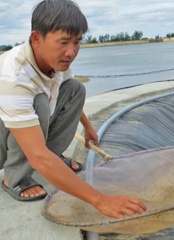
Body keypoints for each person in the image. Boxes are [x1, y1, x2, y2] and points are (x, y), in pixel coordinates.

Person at [0, 0, 147, 219]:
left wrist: (87, 127)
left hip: (24, 128)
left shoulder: (57, 64)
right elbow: (38, 156)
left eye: (77, 42)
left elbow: (66, 94)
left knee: (75, 88)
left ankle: (54, 157)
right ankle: (14, 177)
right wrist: (101, 200)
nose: (71, 52)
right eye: (64, 42)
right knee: (39, 101)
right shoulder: (14, 76)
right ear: (36, 38)